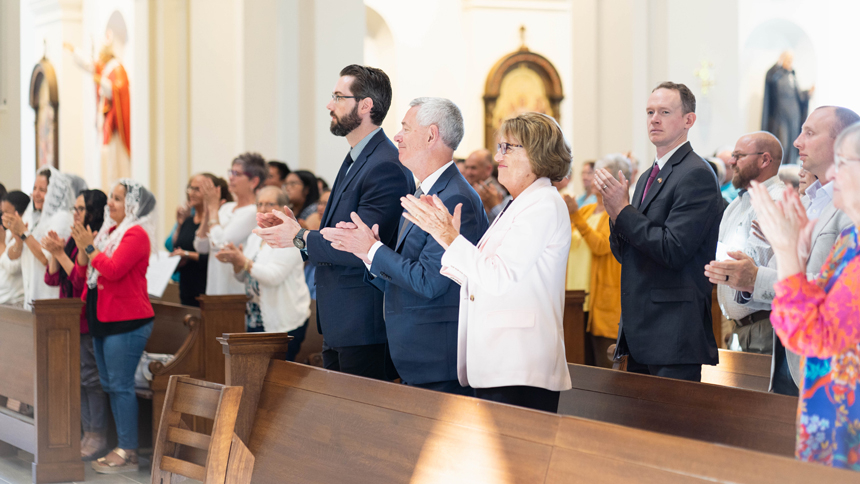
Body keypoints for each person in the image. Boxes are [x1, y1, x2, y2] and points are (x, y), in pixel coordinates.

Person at [401, 112, 573, 412]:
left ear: (537, 152)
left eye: (507, 147)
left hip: (520, 362)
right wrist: (445, 236)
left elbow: (498, 277)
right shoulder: (519, 203)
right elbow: (482, 272)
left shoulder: (543, 204)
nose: (497, 157)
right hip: (503, 361)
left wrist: (449, 237)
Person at [254, 65, 413, 380]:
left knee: (361, 424)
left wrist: (299, 236)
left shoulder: (385, 166)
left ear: (365, 106)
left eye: (339, 97)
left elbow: (357, 246)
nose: (330, 105)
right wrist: (295, 227)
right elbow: (334, 235)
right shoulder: (358, 156)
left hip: (365, 324)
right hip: (342, 320)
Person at [322, 97, 488, 395]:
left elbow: (430, 282)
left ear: (430, 136)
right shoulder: (425, 192)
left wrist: (373, 250)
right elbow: (404, 278)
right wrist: (366, 251)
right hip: (416, 354)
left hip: (438, 356)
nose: (396, 136)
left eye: (405, 128)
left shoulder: (453, 197)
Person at [708, 106, 859, 395]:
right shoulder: (807, 203)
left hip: (830, 366)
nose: (797, 141)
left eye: (810, 133)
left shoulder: (848, 210)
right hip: (791, 350)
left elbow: (836, 290)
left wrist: (756, 278)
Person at [748, 120, 860, 471]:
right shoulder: (851, 239)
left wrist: (785, 254)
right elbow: (800, 317)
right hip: (831, 408)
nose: (834, 174)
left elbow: (816, 335)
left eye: (844, 163)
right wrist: (792, 256)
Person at [596, 82, 723, 382]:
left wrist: (623, 211)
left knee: (671, 428)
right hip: (642, 330)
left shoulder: (696, 174)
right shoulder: (646, 178)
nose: (654, 119)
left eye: (665, 112)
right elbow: (624, 252)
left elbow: (673, 249)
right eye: (650, 112)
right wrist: (617, 215)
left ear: (688, 120)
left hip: (673, 332)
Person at [71, 179, 156, 474]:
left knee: (120, 386)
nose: (110, 203)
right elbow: (86, 272)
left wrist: (90, 247)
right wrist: (86, 248)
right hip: (102, 318)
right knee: (109, 385)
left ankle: (128, 450)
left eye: (118, 199)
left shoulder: (136, 234)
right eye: (111, 198)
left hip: (127, 320)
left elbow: (114, 270)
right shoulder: (109, 233)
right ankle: (122, 445)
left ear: (132, 205)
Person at [41, 189, 110, 460]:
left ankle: (97, 435)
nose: (75, 213)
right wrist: (54, 251)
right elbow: (53, 279)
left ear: (93, 212)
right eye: (75, 207)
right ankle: (85, 432)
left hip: (84, 317)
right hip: (67, 316)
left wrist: (60, 254)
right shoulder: (74, 238)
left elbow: (82, 281)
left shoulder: (93, 239)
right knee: (77, 379)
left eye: (81, 208)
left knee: (91, 378)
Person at [704, 132, 786, 354]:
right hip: (740, 326)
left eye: (739, 156)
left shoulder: (777, 202)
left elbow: (758, 268)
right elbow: (722, 258)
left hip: (765, 325)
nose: (731, 162)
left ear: (765, 160)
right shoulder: (736, 205)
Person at [216, 186, 310, 361]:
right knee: (257, 374)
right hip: (256, 317)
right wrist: (237, 264)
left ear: (283, 208)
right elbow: (244, 277)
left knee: (276, 377)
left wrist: (244, 261)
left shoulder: (290, 238)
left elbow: (273, 277)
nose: (263, 209)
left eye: (269, 204)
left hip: (284, 320)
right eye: (259, 204)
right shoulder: (256, 237)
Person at [562, 154, 629, 368]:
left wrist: (576, 216)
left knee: (601, 368)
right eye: (596, 175)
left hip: (599, 300)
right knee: (577, 363)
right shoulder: (587, 209)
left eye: (602, 176)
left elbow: (601, 246)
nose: (595, 181)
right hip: (574, 300)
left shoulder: (616, 214)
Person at [2, 166, 75, 310]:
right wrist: (17, 240)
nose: (36, 194)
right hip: (31, 297)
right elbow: (11, 259)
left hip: (49, 298)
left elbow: (46, 258)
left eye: (42, 190)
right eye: (35, 188)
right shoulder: (34, 217)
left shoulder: (62, 219)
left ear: (55, 193)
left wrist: (23, 233)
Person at [195, 153, 266, 295]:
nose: (231, 177)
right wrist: (208, 212)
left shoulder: (253, 212)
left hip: (234, 291)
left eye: (237, 173)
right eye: (231, 172)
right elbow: (201, 246)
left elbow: (220, 244)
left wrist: (214, 209)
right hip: (214, 287)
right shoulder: (226, 208)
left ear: (254, 181)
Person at [170, 174, 231, 306]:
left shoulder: (216, 221)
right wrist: (180, 224)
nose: (192, 193)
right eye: (190, 188)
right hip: (187, 286)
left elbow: (213, 255)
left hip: (205, 285)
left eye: (197, 189)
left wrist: (187, 254)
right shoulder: (188, 221)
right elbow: (176, 246)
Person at [762, 51, 814, 166]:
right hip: (781, 115)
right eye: (788, 59)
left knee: (793, 142)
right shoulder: (776, 74)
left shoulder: (793, 76)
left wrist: (807, 94)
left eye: (791, 60)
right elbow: (770, 78)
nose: (790, 62)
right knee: (783, 142)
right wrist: (778, 64)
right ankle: (780, 168)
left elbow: (798, 95)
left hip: (794, 114)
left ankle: (791, 166)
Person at [0, 191, 30, 306]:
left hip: (14, 302)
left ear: (19, 213)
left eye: (6, 212)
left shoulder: (27, 234)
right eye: (2, 212)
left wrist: (2, 245)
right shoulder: (6, 234)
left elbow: (13, 268)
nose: (2, 217)